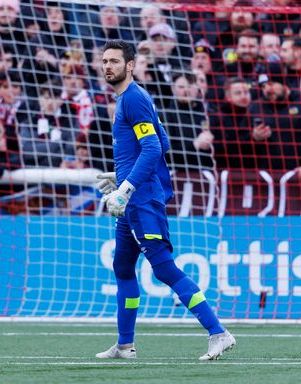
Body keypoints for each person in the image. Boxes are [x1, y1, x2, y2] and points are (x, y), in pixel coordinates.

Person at [94, 40, 235, 361]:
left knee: (163, 268)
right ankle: (125, 345)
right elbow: (162, 140)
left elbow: (154, 148)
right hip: (131, 199)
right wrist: (121, 177)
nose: (107, 66)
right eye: (104, 61)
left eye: (114, 61)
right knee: (123, 267)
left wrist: (127, 187)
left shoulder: (133, 100)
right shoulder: (131, 99)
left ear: (130, 65)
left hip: (141, 201)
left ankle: (219, 332)